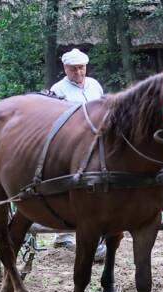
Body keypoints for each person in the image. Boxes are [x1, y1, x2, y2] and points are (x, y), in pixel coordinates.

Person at [49, 48, 106, 261]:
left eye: (81, 68)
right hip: (70, 142)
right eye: (74, 69)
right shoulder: (58, 89)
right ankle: (63, 232)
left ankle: (99, 225)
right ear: (66, 69)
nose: (79, 73)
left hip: (96, 140)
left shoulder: (94, 85)